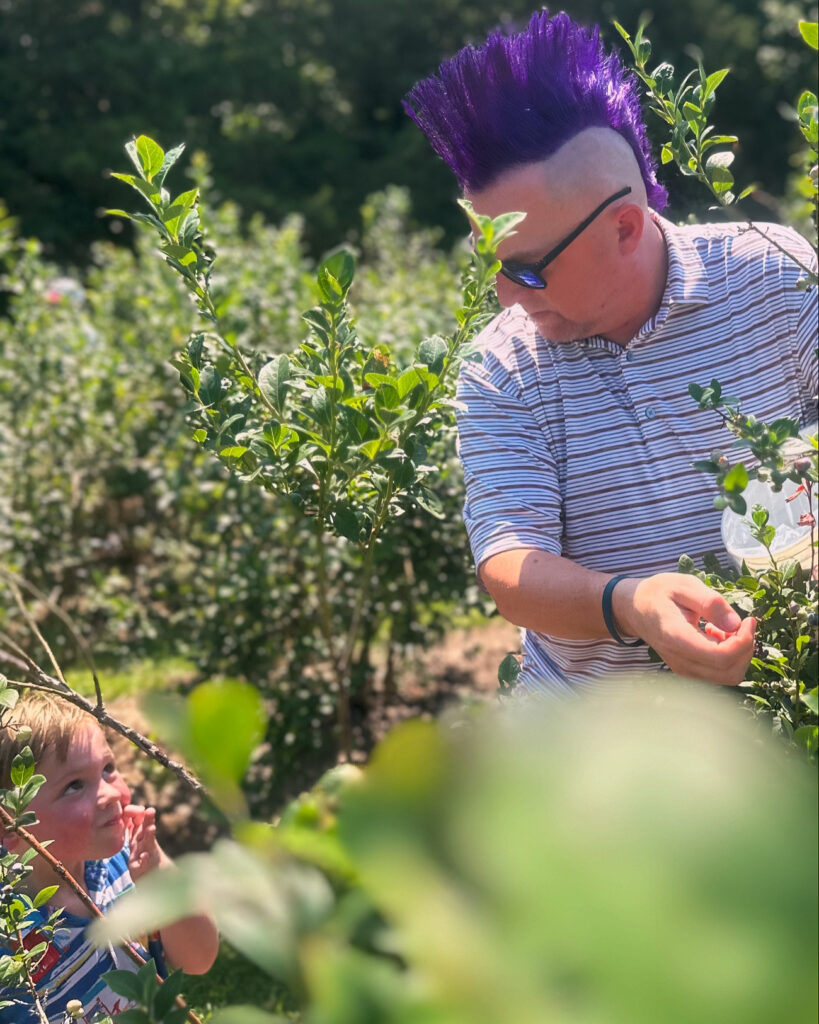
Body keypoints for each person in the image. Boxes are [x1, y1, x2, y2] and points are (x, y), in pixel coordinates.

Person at [404, 10, 818, 697]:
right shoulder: (501, 367)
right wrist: (629, 604)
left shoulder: (770, 277)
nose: (506, 297)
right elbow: (511, 564)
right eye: (492, 265)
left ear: (624, 226)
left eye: (529, 269)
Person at [0, 691, 219, 1023]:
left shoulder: (127, 864)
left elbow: (200, 958)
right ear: (12, 827)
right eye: (74, 786)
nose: (112, 794)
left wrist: (159, 877)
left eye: (108, 769)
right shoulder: (10, 934)